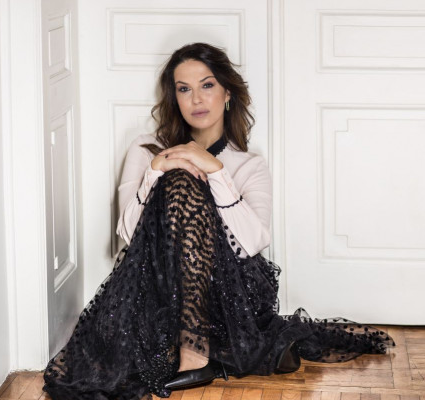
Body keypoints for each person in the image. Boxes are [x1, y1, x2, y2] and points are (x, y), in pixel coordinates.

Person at [42, 42, 395, 400]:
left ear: (227, 93)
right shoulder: (147, 149)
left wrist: (216, 172)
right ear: (175, 98)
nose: (196, 99)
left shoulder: (249, 165)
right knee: (177, 179)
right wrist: (156, 171)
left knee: (184, 182)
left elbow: (253, 243)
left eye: (207, 85)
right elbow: (129, 236)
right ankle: (220, 353)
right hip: (162, 290)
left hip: (228, 293)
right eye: (184, 89)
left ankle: (196, 352)